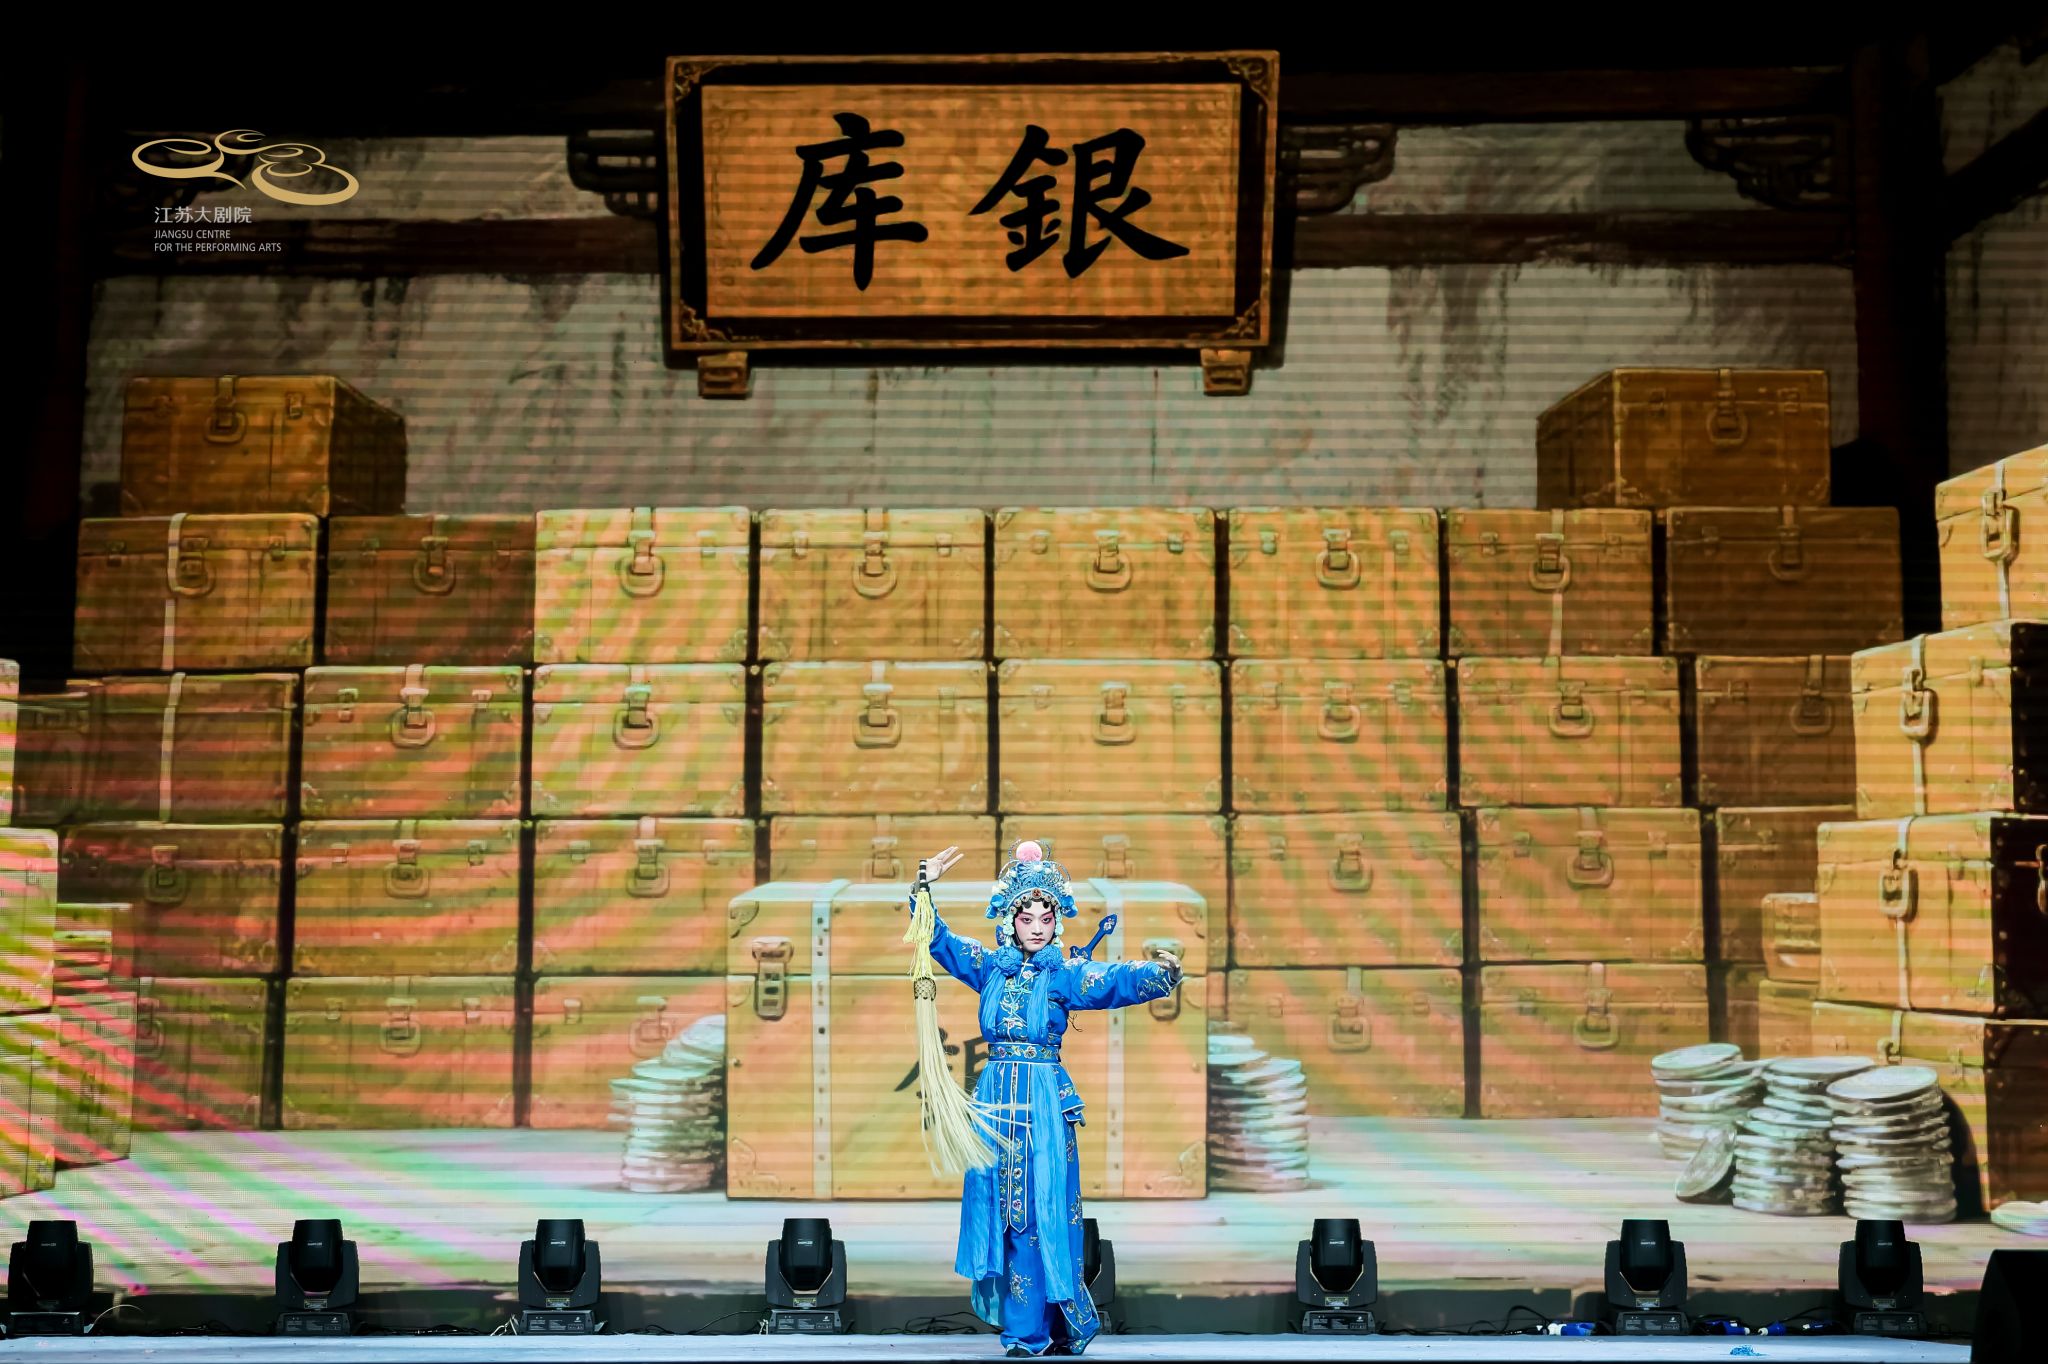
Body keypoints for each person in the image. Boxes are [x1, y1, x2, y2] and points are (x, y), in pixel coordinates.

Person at [909, 839, 1182, 1358]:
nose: (1036, 926)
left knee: (1041, 1214)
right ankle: (1028, 1331)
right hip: (996, 1102)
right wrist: (923, 886)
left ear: (1057, 922)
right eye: (1026, 917)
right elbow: (939, 941)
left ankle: (1035, 1333)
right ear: (1010, 921)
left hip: (1043, 1106)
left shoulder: (1062, 974)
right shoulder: (990, 968)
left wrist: (1158, 974)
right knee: (1005, 1214)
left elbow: (1112, 980)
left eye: (1046, 917)